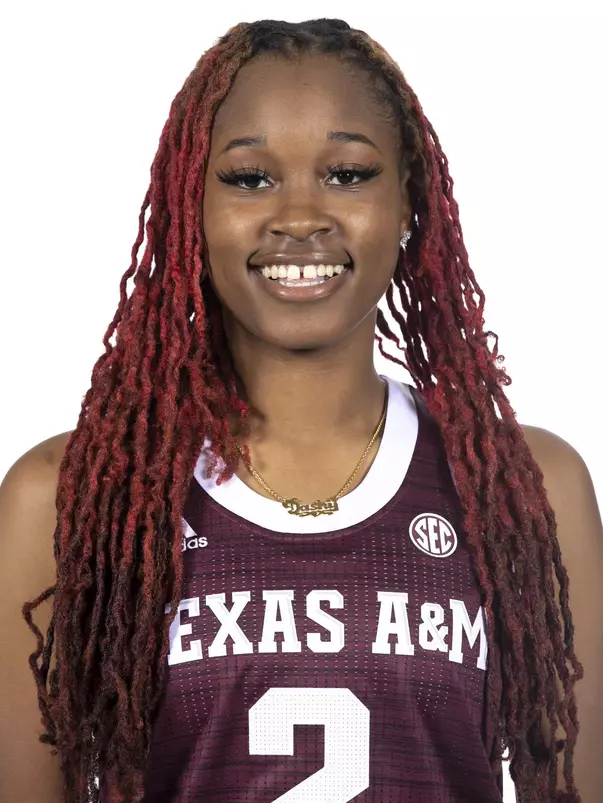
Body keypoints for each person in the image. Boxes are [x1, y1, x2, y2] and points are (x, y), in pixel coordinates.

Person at [0, 16, 601, 803]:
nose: (300, 215)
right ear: (189, 205)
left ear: (409, 200)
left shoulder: (529, 489)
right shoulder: (70, 499)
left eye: (348, 173)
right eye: (249, 178)